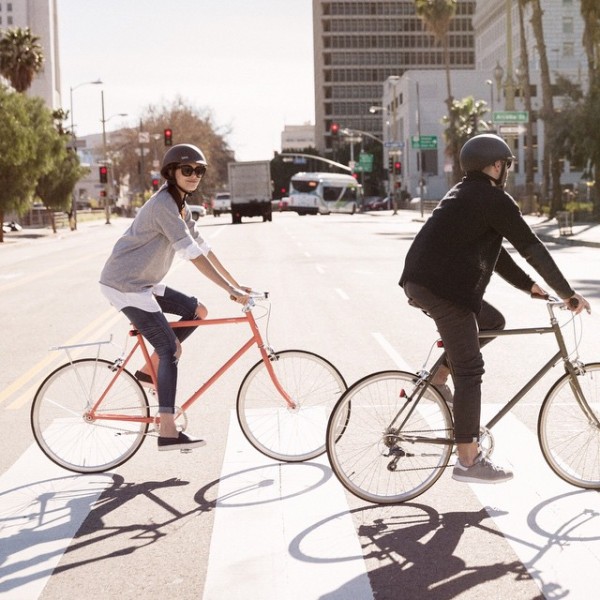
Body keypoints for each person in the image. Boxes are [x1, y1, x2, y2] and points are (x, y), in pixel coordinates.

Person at [399, 133, 591, 484]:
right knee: (470, 372)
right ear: (497, 165)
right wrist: (567, 293)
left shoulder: (465, 193)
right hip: (443, 290)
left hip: (428, 282)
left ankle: (439, 377)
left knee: (492, 320)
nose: (506, 171)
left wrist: (530, 287)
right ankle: (468, 463)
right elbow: (531, 247)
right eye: (505, 165)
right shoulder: (492, 198)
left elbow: (496, 253)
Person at [100, 143, 251, 451]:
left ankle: (146, 373)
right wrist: (229, 291)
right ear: (171, 173)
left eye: (199, 170)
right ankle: (167, 430)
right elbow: (192, 255)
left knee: (198, 311)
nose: (194, 175)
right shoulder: (162, 207)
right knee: (170, 349)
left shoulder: (179, 205)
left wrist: (237, 285)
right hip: (125, 284)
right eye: (187, 170)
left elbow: (204, 246)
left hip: (144, 282)